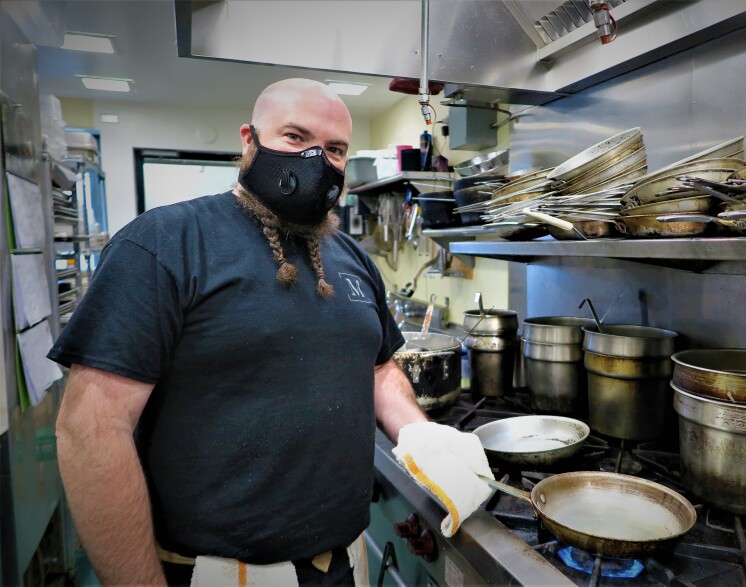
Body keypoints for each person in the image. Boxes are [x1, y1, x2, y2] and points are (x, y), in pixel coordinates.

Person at [50, 78, 490, 586]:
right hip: (219, 573)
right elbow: (91, 431)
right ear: (249, 140)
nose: (316, 162)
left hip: (342, 564)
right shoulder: (165, 244)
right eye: (295, 138)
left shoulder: (349, 257)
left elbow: (380, 367)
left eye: (335, 150)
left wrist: (421, 434)